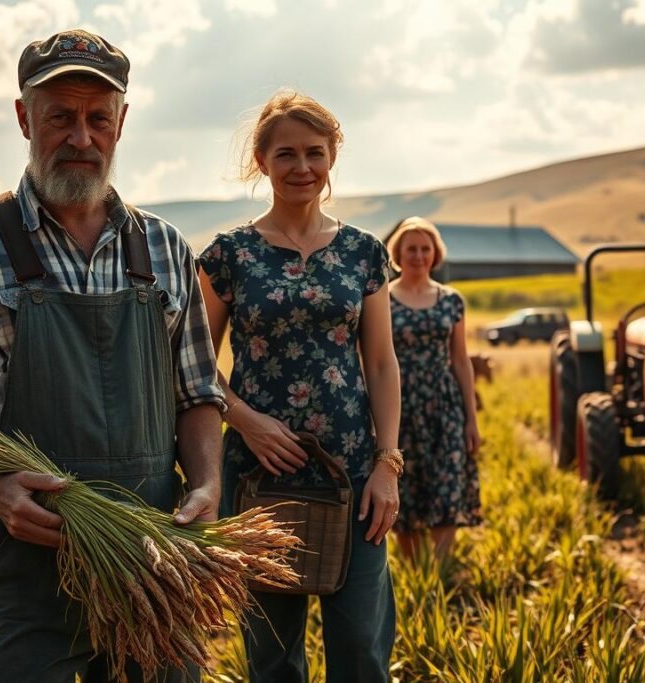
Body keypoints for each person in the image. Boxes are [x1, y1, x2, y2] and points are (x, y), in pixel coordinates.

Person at [0, 30, 225, 682]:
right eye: (60, 117)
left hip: (147, 560)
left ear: (121, 123)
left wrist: (210, 482)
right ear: (24, 117)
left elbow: (198, 395)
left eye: (97, 118)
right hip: (25, 568)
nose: (81, 137)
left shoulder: (164, 249)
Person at [197, 90, 401, 683]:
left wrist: (388, 463)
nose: (302, 167)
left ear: (332, 157)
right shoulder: (228, 254)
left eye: (315, 152)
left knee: (361, 647)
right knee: (272, 655)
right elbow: (194, 363)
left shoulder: (363, 253)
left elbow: (383, 363)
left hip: (353, 473)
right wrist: (244, 419)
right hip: (260, 475)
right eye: (286, 154)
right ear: (262, 161)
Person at [386, 217, 482, 559]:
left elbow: (460, 361)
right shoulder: (381, 298)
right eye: (411, 248)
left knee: (447, 481)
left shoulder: (452, 300)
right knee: (406, 485)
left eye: (425, 248)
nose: (418, 255)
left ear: (435, 253)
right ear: (398, 253)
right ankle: (415, 575)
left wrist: (471, 419)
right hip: (399, 405)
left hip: (444, 405)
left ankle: (440, 571)